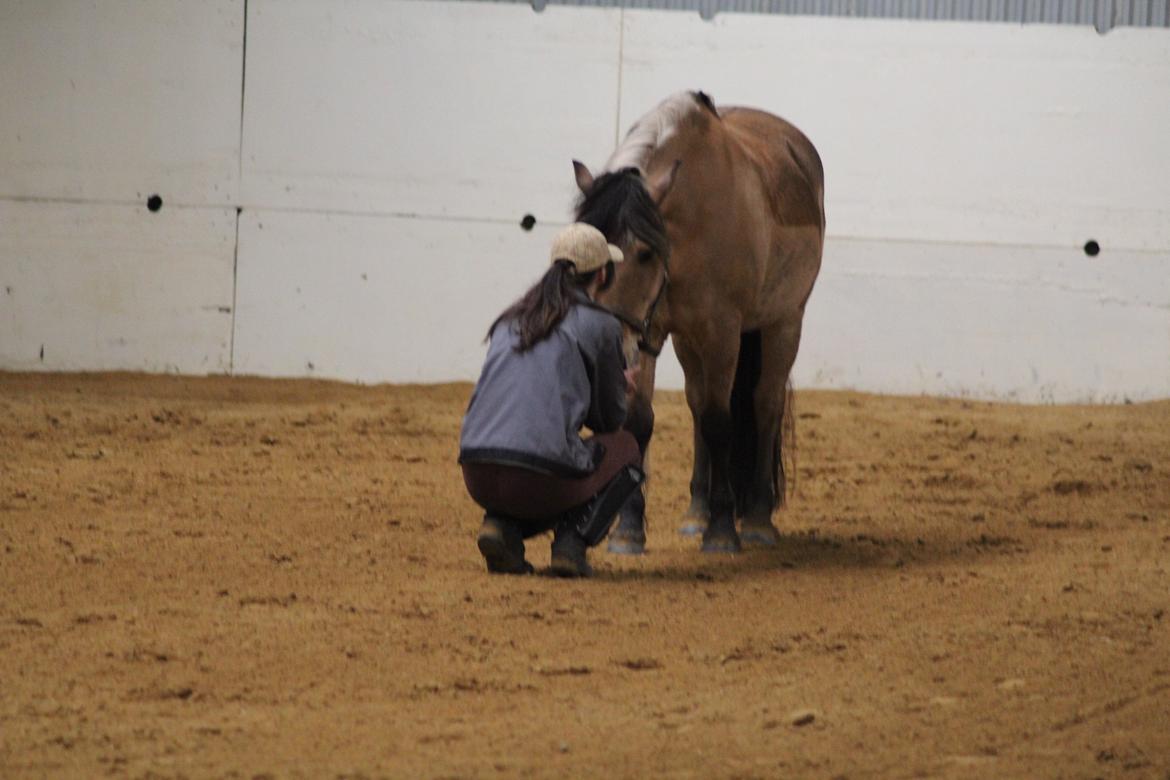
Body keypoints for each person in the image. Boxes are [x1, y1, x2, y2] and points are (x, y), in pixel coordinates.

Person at [459, 223, 644, 577]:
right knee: (625, 449)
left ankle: (502, 526)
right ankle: (571, 544)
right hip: (538, 478)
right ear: (603, 273)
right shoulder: (601, 324)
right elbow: (608, 421)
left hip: (477, 472)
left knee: (535, 460)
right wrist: (620, 387)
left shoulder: (511, 317)